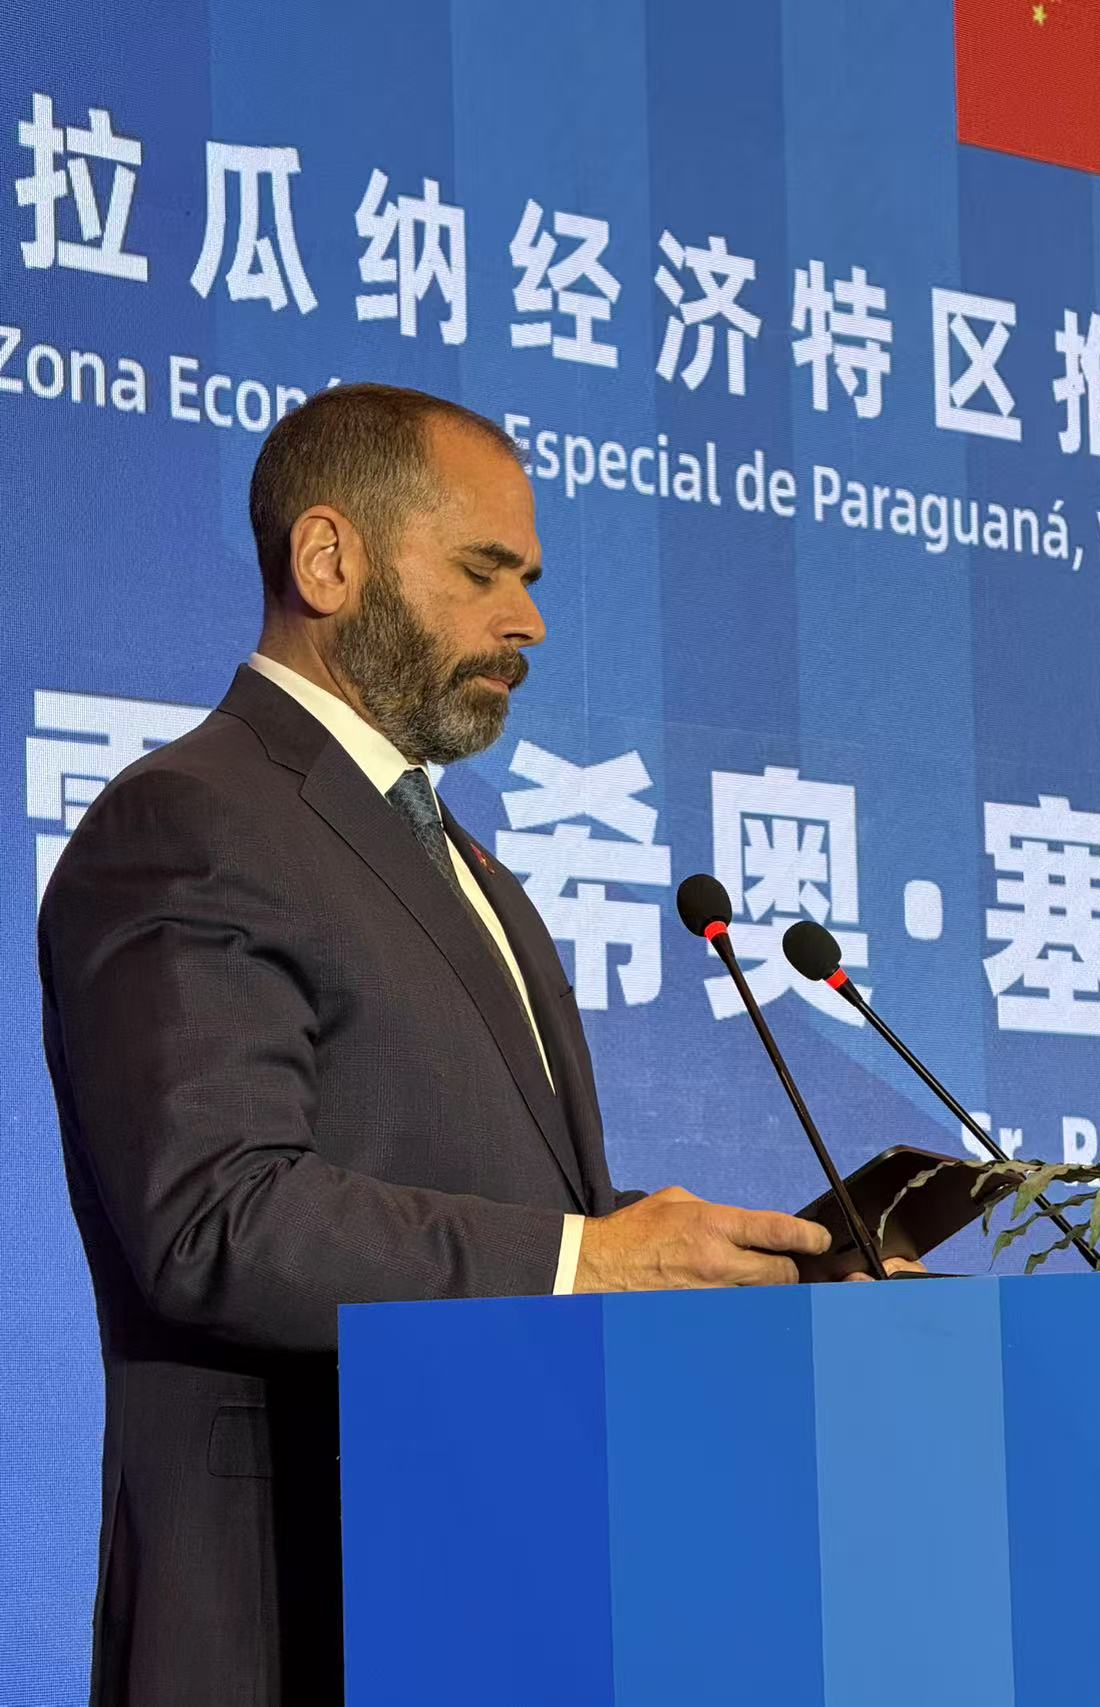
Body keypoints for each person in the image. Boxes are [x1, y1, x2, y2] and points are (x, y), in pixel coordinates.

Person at [38, 384, 857, 1707]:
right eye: (484, 572)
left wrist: (766, 1286)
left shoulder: (471, 868)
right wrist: (589, 1258)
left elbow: (518, 1213)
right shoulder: (188, 819)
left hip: (504, 1596)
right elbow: (216, 1220)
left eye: (527, 579)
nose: (526, 621)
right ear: (328, 561)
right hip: (294, 1610)